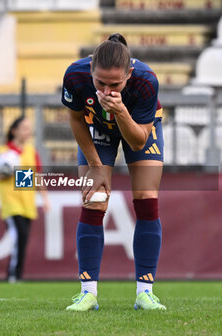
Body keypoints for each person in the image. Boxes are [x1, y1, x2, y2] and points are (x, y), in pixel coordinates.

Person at [62, 33, 166, 311]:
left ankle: (145, 292)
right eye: (100, 83)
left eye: (116, 84)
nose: (107, 91)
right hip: (95, 127)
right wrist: (96, 166)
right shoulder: (74, 75)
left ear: (129, 74)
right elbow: (74, 118)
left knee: (146, 196)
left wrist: (120, 111)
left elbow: (137, 141)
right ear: (90, 70)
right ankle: (88, 293)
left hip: (138, 128)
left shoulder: (146, 81)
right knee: (94, 197)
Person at [0, 116, 49, 282]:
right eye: (24, 128)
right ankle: (13, 275)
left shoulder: (31, 152)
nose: (28, 131)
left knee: (23, 239)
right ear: (14, 130)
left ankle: (16, 274)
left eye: (29, 128)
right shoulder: (4, 152)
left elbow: (37, 176)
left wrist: (45, 198)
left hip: (27, 203)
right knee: (18, 237)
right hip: (11, 202)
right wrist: (4, 172)